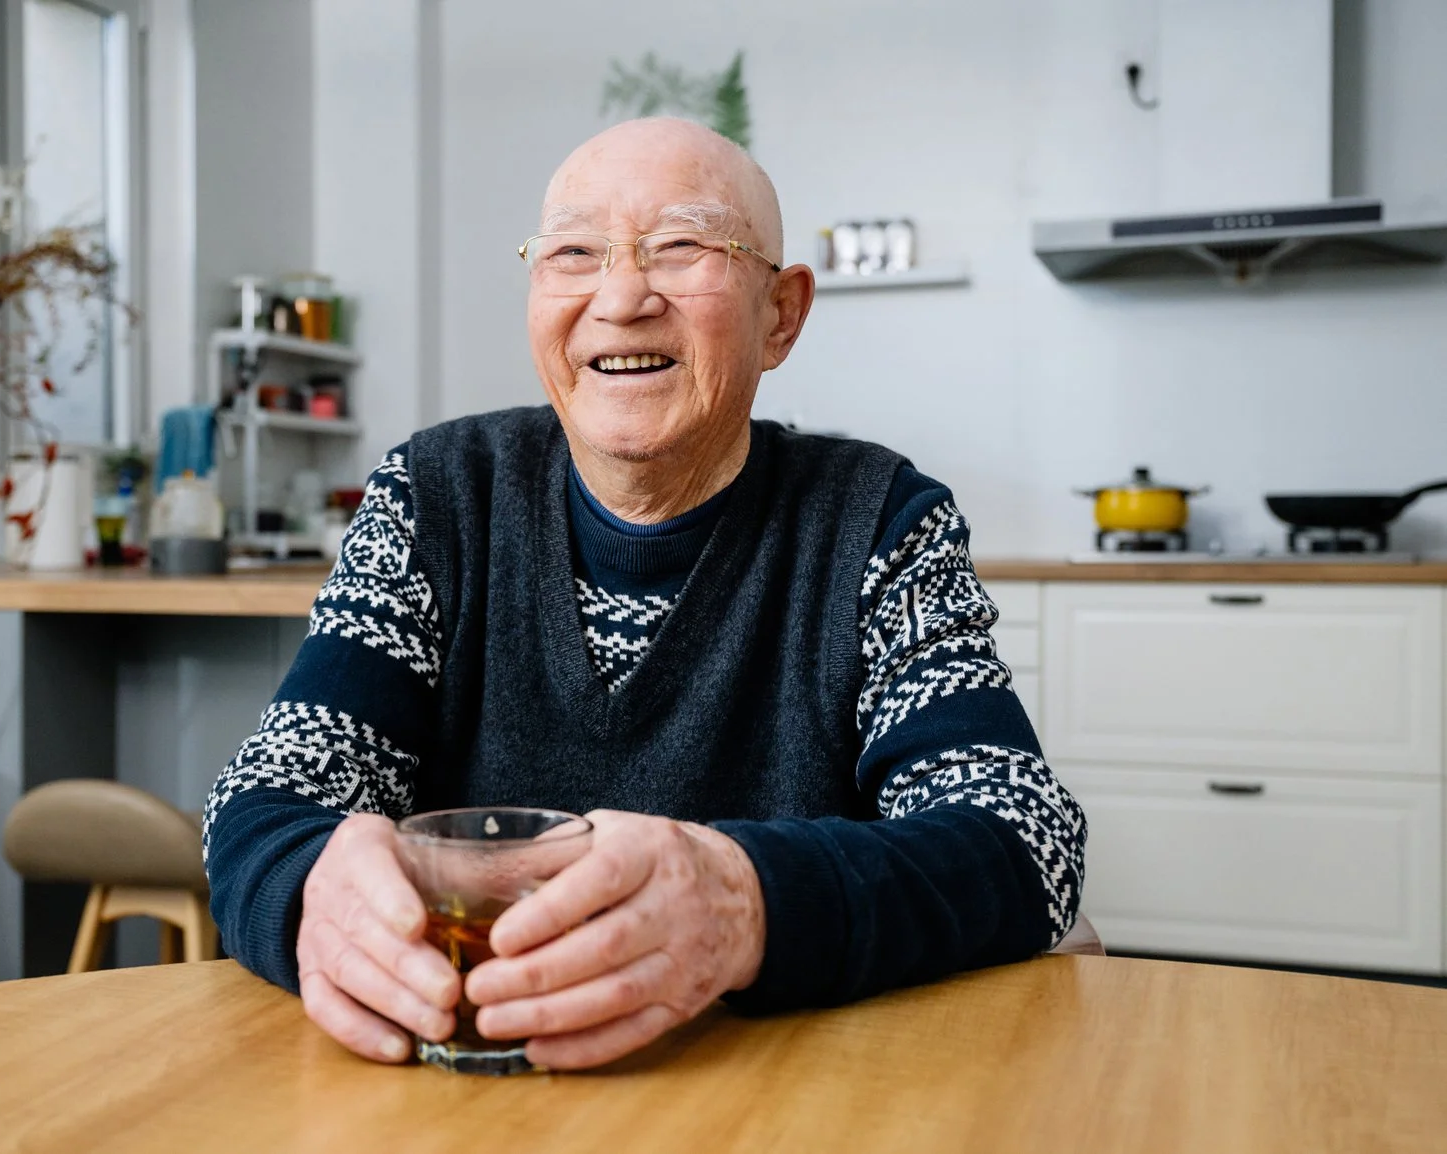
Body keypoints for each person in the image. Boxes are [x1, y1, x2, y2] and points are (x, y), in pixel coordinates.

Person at [203, 117, 1086, 1071]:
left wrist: (744, 902)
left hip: (784, 1101)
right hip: (468, 1105)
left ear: (780, 315)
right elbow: (263, 805)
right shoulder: (438, 496)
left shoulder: (876, 521)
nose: (620, 299)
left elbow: (1020, 837)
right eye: (574, 253)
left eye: (681, 247)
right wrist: (312, 899)